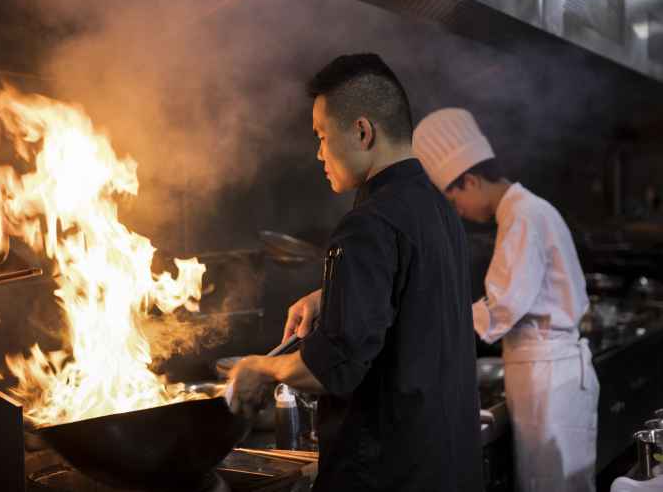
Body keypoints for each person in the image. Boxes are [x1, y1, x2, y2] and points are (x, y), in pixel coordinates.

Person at [228, 54, 483, 491]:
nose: (319, 153)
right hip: (448, 463)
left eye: (322, 136)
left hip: (387, 474)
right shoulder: (435, 207)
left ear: (363, 131)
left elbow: (334, 368)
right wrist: (334, 294)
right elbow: (414, 297)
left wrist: (260, 369)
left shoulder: (369, 222)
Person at [413, 108, 599, 492]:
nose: (459, 212)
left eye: (454, 200)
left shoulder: (521, 215)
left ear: (469, 180)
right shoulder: (526, 209)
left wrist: (435, 329)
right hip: (549, 374)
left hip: (548, 379)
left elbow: (503, 306)